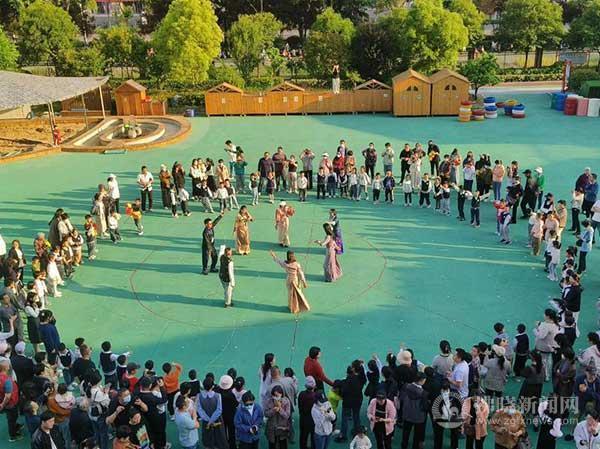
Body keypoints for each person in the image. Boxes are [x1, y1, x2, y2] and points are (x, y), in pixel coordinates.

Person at [197, 377, 228, 449]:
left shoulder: (199, 395)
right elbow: (219, 410)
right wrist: (211, 421)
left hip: (206, 421)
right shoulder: (218, 395)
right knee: (219, 437)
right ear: (212, 386)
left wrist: (208, 420)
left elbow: (199, 409)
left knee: (207, 436)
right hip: (217, 420)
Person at [264, 385, 291, 449]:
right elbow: (266, 414)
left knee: (283, 445)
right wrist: (273, 410)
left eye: (277, 395)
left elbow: (287, 415)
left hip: (282, 428)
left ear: (281, 394)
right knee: (272, 445)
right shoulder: (269, 401)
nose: (275, 397)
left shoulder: (286, 401)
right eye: (274, 395)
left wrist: (280, 409)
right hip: (272, 428)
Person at [0, 360, 21, 442]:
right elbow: (8, 396)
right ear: (6, 368)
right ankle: (13, 436)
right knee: (12, 419)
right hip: (11, 403)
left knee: (12, 417)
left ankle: (15, 426)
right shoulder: (7, 380)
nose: (10, 366)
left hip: (6, 402)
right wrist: (2, 404)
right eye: (8, 365)